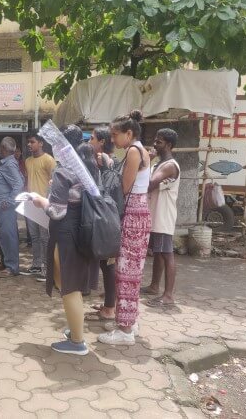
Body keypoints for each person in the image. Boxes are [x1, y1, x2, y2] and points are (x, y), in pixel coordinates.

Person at [26, 125, 101, 355]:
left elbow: (57, 212)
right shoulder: (88, 166)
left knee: (68, 287)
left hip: (66, 234)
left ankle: (77, 342)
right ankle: (74, 329)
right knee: (73, 284)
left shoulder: (63, 171)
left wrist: (40, 200)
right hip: (82, 232)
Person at [98, 111, 152, 346]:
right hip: (139, 213)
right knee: (132, 272)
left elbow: (124, 188)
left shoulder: (132, 151)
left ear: (129, 133)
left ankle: (125, 330)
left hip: (132, 215)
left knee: (126, 273)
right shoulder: (140, 150)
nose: (113, 140)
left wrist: (109, 168)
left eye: (115, 135)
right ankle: (130, 321)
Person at [144, 128, 181, 307]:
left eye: (159, 142)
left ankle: (168, 296)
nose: (155, 144)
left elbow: (150, 184)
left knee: (166, 254)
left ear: (169, 145)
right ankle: (154, 286)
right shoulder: (160, 164)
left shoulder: (169, 165)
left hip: (163, 216)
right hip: (155, 214)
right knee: (158, 252)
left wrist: (145, 162)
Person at [87, 126, 120, 317]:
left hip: (110, 220)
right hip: (104, 219)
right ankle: (108, 303)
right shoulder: (100, 163)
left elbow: (110, 192)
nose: (90, 142)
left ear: (101, 142)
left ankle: (109, 308)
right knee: (104, 263)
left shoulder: (111, 163)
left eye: (92, 138)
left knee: (109, 264)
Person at [0, 137, 25, 278]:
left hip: (6, 209)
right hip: (0, 208)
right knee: (3, 236)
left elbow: (18, 184)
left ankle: (11, 267)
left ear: (2, 149)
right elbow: (20, 180)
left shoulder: (9, 164)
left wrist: (9, 201)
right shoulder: (6, 163)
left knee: (8, 237)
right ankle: (5, 263)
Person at [23, 132, 55, 277]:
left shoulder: (49, 160)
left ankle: (47, 268)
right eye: (28, 142)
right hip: (30, 203)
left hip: (44, 203)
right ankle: (36, 264)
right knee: (34, 237)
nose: (29, 145)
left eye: (32, 142)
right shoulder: (28, 161)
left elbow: (54, 182)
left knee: (45, 237)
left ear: (41, 143)